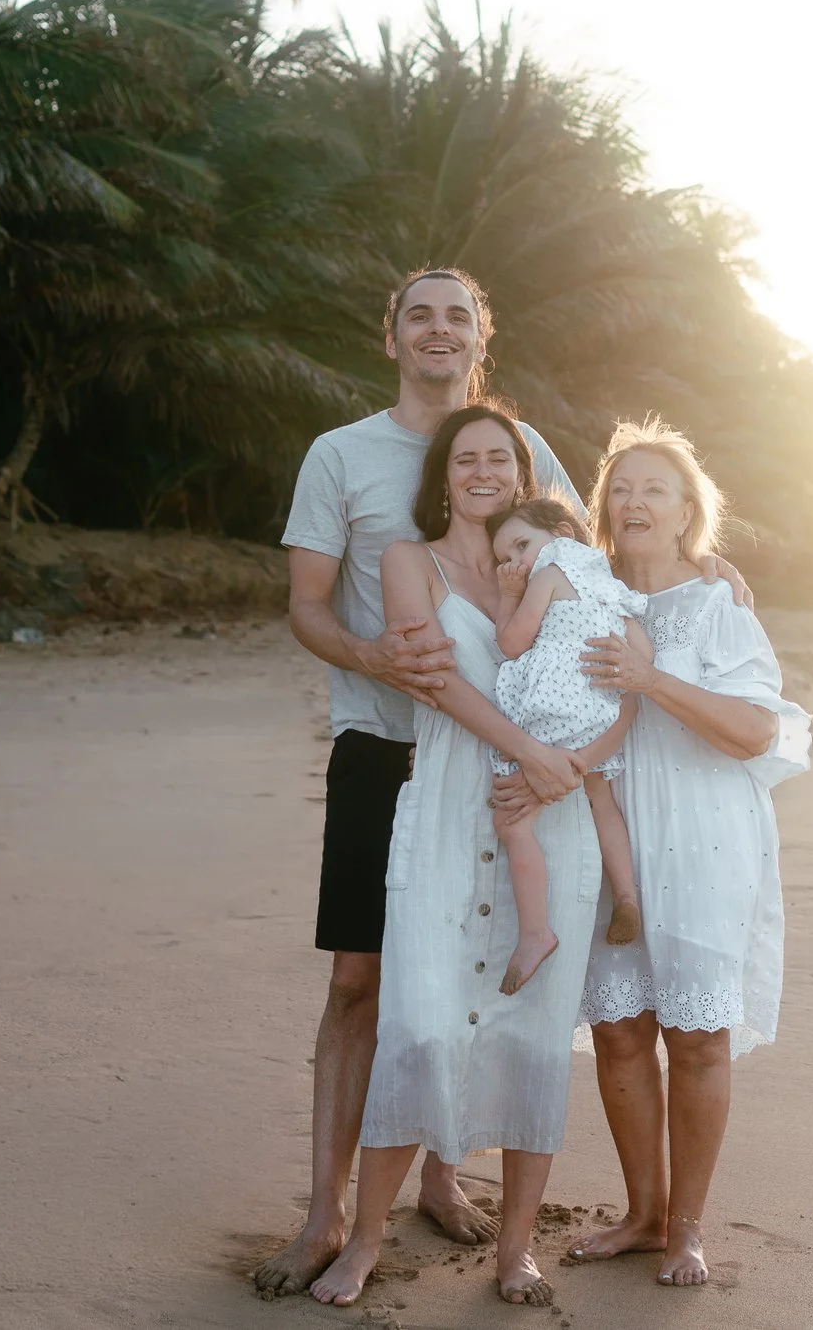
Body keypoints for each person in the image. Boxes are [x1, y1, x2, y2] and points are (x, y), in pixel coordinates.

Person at [260, 269, 580, 1295]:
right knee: (360, 981)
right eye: (419, 315)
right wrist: (374, 662)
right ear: (389, 336)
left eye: (458, 315)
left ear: (482, 333)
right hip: (381, 750)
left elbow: (605, 566)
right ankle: (326, 1212)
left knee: (481, 974)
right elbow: (308, 604)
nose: (438, 330)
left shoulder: (526, 457)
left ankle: (444, 1181)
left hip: (498, 763)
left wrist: (711, 571)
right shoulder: (340, 454)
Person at [497, 418, 810, 1289]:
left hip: (705, 836)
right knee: (621, 1030)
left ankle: (687, 1229)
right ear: (601, 511)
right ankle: (640, 1213)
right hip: (603, 830)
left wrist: (652, 680)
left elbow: (756, 730)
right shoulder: (583, 586)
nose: (635, 502)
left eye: (655, 490)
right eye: (621, 490)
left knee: (699, 1038)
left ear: (686, 515)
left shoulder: (717, 603)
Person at [309, 406, 605, 1309]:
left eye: (500, 459)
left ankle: (517, 1250)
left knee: (533, 1035)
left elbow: (627, 650)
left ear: (523, 474)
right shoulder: (410, 561)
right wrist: (532, 748)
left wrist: (713, 566)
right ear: (443, 475)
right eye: (466, 458)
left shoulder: (556, 565)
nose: (483, 471)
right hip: (442, 807)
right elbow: (433, 683)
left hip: (549, 815)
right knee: (422, 1023)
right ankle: (363, 1243)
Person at [485, 497, 647, 998]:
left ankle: (536, 932)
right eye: (504, 557)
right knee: (602, 800)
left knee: (511, 822)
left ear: (560, 533)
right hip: (601, 705)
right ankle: (626, 893)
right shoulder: (613, 587)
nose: (515, 562)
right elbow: (642, 655)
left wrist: (507, 596)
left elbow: (511, 644)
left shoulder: (549, 574)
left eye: (521, 545)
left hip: (553, 706)